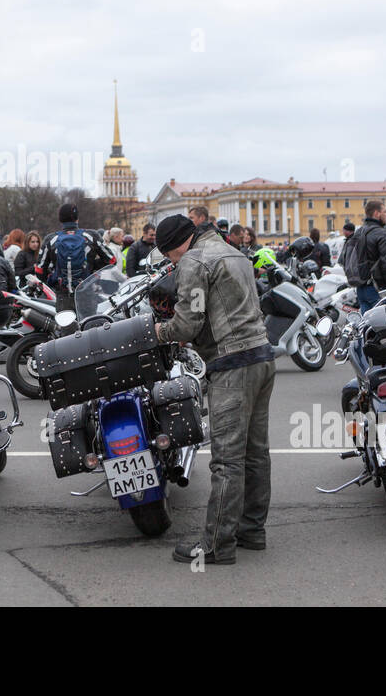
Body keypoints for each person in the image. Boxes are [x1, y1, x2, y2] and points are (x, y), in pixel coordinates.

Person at [152, 215, 273, 566]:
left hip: (232, 364)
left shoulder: (193, 261)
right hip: (262, 356)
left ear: (174, 247)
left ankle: (217, 544)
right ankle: (252, 529)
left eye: (169, 257)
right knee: (256, 452)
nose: (172, 264)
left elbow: (189, 321)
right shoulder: (233, 253)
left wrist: (157, 332)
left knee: (227, 460)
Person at [36, 204, 113, 312]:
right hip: (86, 294)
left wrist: (53, 279)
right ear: (77, 218)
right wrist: (91, 268)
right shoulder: (91, 236)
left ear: (60, 219)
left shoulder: (51, 239)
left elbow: (39, 270)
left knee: (67, 327)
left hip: (63, 295)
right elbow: (111, 260)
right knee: (88, 326)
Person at [350, 200, 386, 313]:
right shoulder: (381, 233)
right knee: (385, 325)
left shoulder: (359, 232)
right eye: (384, 212)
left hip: (360, 288)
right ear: (376, 213)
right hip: (377, 288)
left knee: (367, 325)